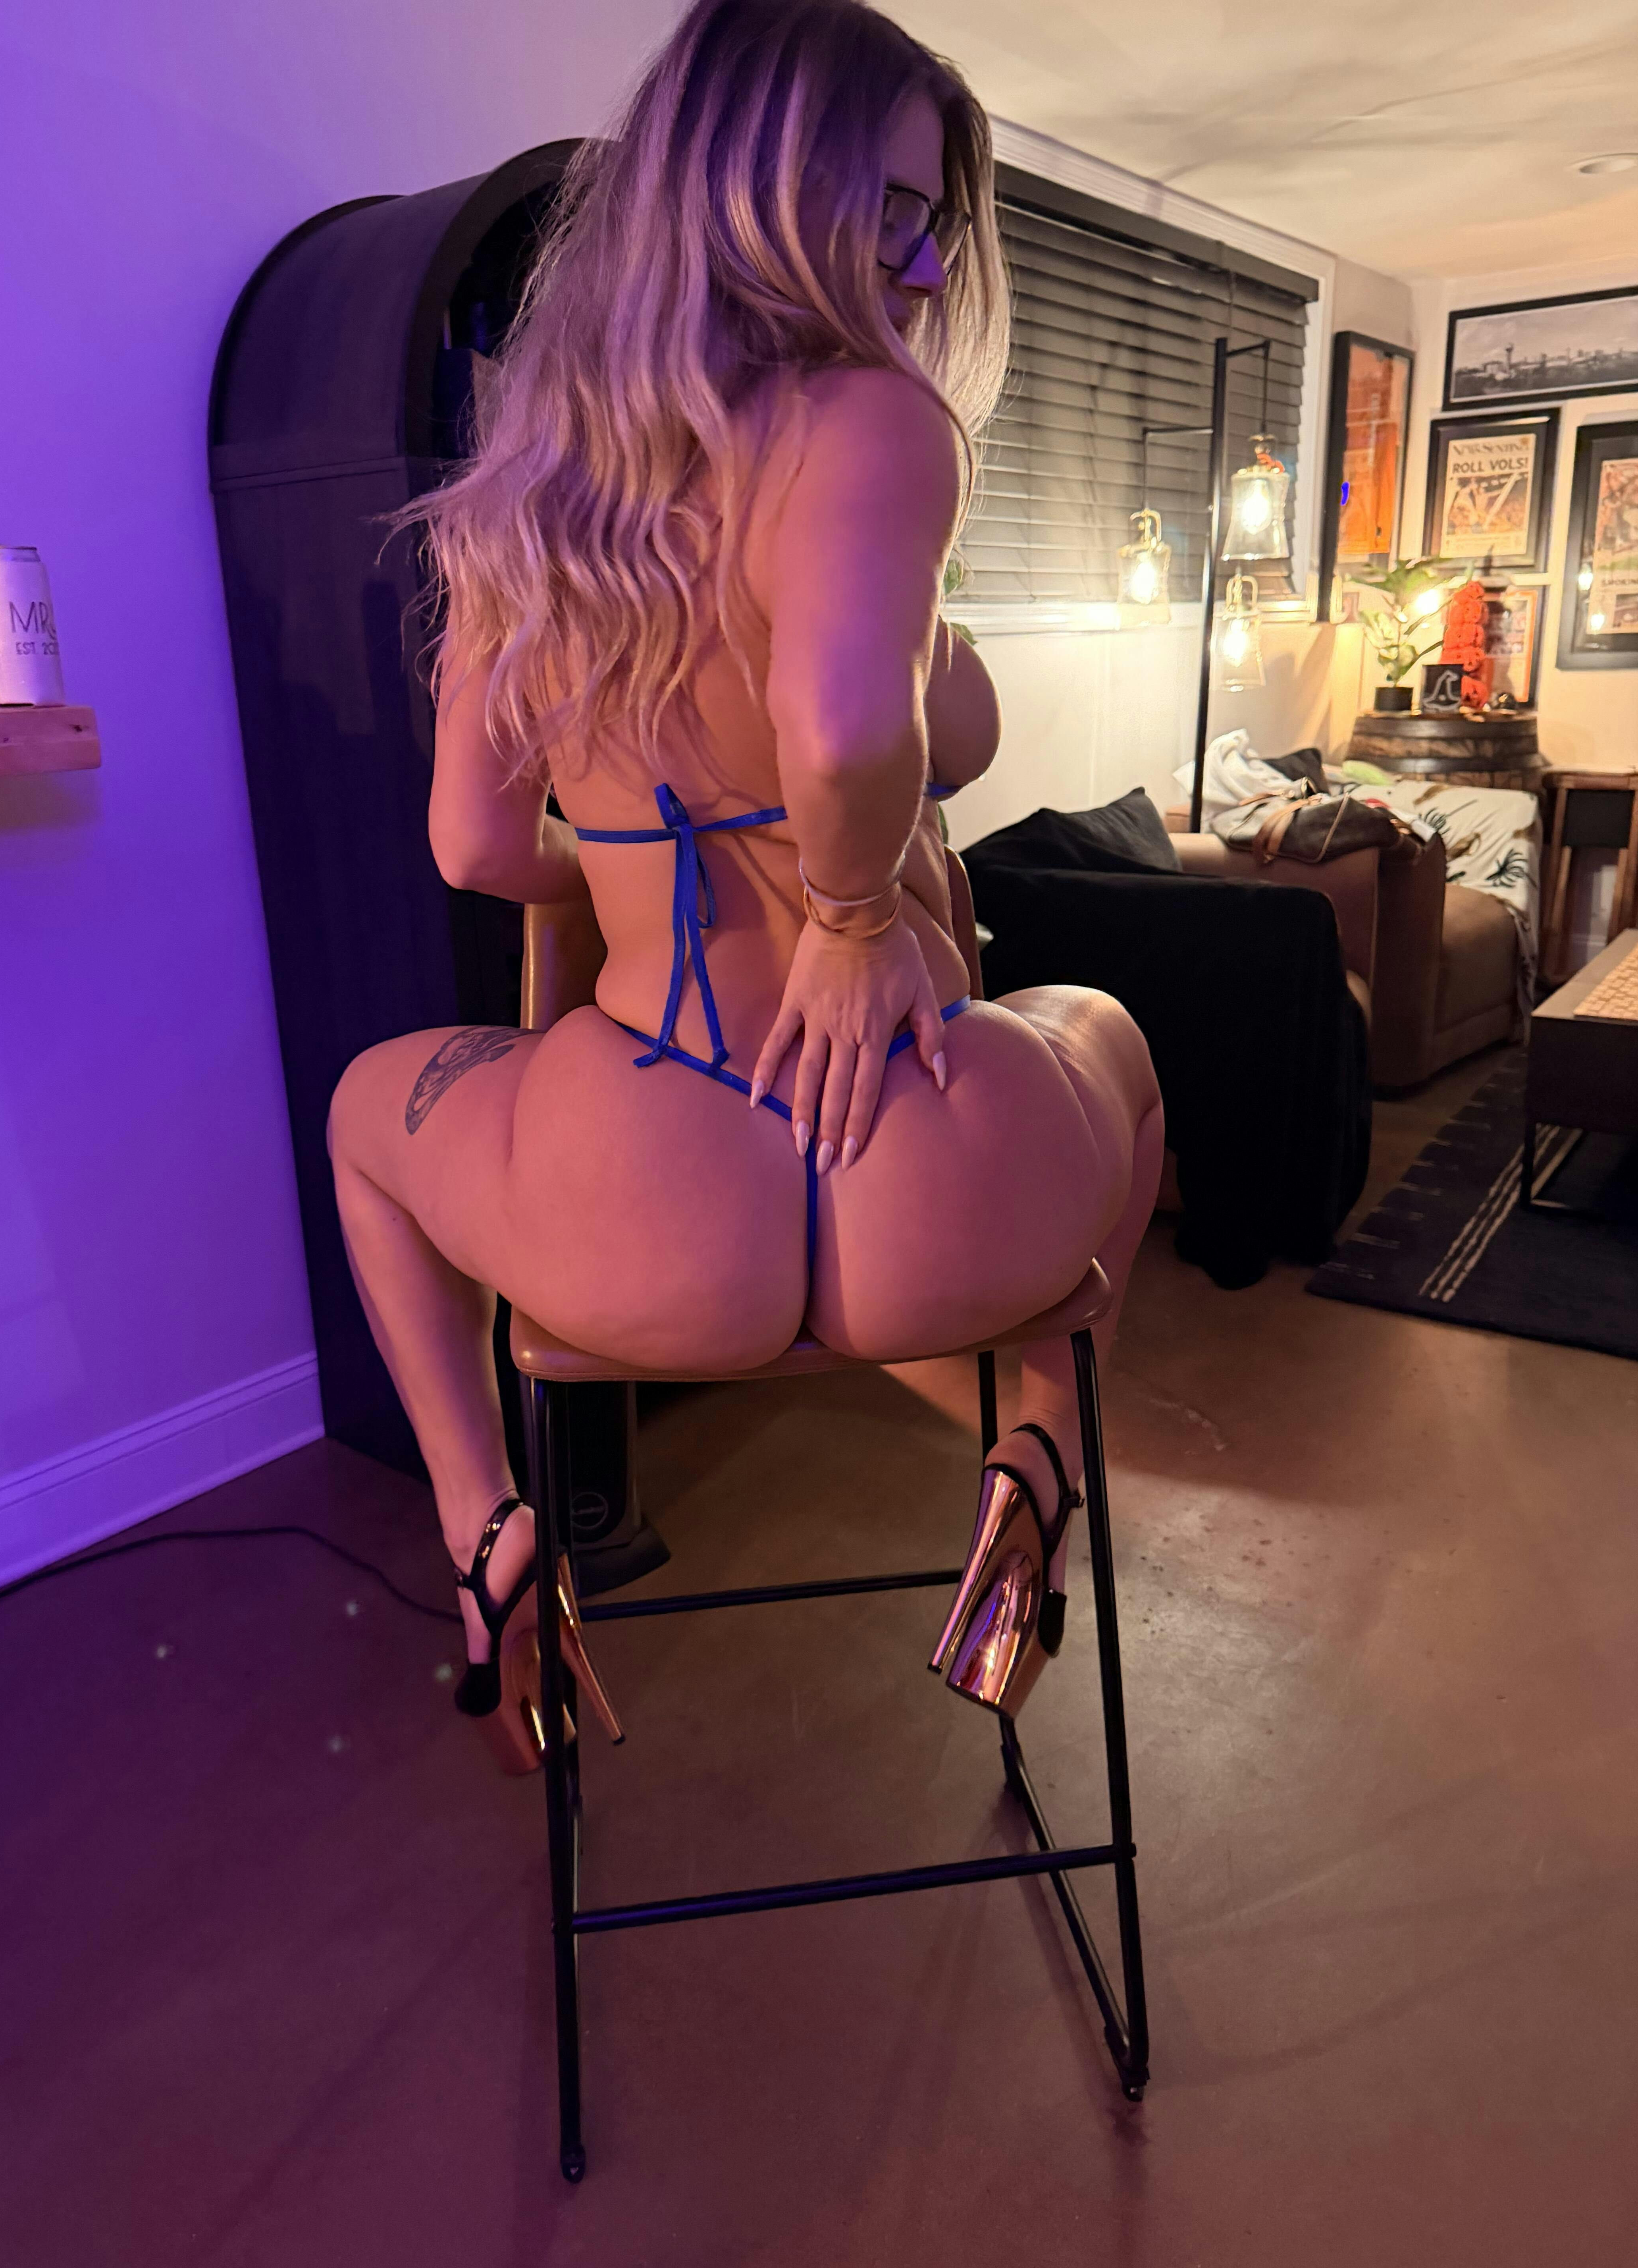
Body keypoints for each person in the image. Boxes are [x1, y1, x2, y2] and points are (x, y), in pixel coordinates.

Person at [328, 0, 1164, 1767]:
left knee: (361, 1119)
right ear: (757, 193)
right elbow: (852, 728)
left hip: (641, 1198)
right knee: (1108, 1034)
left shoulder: (518, 504)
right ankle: (1033, 1452)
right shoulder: (873, 425)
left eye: (937, 224)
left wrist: (632, 881)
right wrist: (851, 921)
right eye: (893, 214)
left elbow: (473, 850)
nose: (927, 267)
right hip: (926, 1168)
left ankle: (485, 1531)